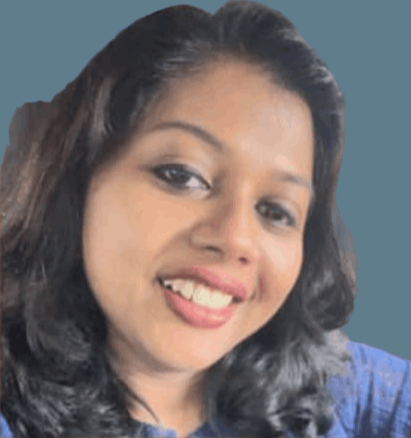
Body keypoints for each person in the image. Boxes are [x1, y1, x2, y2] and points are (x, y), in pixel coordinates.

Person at [1, 1, 410, 437]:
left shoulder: (344, 392)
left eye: (276, 211)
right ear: (78, 175)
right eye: (182, 176)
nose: (235, 238)